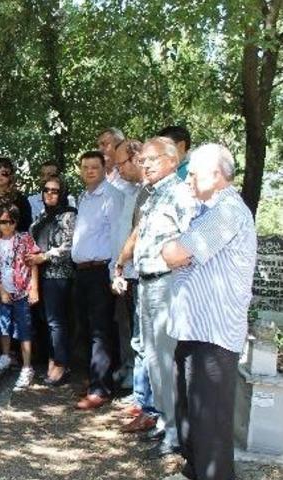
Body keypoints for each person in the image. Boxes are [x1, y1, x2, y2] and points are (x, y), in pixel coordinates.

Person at [161, 144, 256, 480]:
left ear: (217, 175)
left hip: (213, 336)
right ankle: (193, 470)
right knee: (191, 419)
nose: (187, 180)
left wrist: (170, 245)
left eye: (193, 173)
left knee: (211, 426)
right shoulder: (207, 212)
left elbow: (174, 254)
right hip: (192, 330)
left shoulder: (228, 212)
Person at [123, 137, 196, 458]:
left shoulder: (180, 193)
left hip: (167, 285)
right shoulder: (153, 195)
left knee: (166, 361)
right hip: (147, 283)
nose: (146, 164)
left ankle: (176, 434)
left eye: (152, 159)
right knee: (153, 358)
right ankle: (164, 422)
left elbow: (192, 240)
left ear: (171, 160)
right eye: (144, 160)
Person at [111, 139, 159, 434]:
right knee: (139, 342)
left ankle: (151, 409)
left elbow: (139, 233)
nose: (117, 169)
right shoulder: (142, 192)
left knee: (148, 345)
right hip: (137, 274)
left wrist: (121, 263)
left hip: (153, 277)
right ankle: (143, 402)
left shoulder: (153, 192)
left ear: (137, 158)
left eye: (120, 164)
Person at [72, 150, 124, 410]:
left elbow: (117, 237)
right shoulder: (84, 196)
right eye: (85, 167)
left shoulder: (112, 197)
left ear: (105, 169)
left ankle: (100, 388)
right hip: (81, 271)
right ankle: (95, 378)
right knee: (86, 326)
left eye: (95, 167)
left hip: (100, 270)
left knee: (100, 330)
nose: (90, 171)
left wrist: (117, 272)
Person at [26, 176, 76, 386]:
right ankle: (51, 361)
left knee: (57, 322)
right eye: (46, 190)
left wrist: (45, 257)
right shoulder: (41, 217)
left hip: (59, 275)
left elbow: (70, 245)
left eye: (55, 191)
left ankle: (61, 365)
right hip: (39, 275)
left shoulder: (69, 216)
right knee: (46, 322)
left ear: (62, 193)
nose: (49, 194)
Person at [0, 204, 40, 391]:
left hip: (22, 291)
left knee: (24, 328)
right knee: (3, 325)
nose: (6, 225)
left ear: (16, 222)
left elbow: (33, 264)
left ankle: (26, 366)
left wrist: (34, 289)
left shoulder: (24, 239)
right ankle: (6, 355)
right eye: (2, 222)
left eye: (10, 221)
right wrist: (1, 290)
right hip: (4, 292)